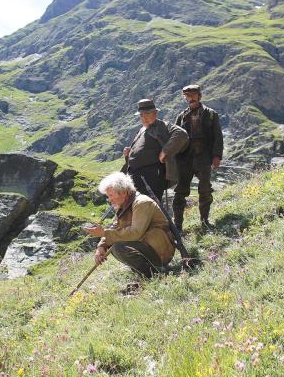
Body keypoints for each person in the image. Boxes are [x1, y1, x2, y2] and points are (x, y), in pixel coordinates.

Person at [83, 172, 176, 279]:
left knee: (119, 247)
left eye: (111, 195)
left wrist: (104, 233)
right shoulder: (122, 206)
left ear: (123, 192)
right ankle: (147, 273)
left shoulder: (142, 203)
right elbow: (115, 227)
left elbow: (136, 233)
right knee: (115, 246)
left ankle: (154, 274)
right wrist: (101, 246)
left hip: (160, 248)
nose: (110, 200)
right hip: (146, 245)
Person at [173, 84, 223, 231]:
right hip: (185, 160)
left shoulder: (211, 114)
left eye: (193, 95)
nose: (190, 98)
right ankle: (177, 226)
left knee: (205, 189)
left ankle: (204, 221)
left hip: (204, 158)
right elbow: (175, 138)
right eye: (187, 96)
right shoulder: (181, 117)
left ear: (199, 96)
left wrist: (217, 156)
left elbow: (218, 137)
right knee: (180, 192)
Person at [123, 99, 188, 201]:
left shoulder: (162, 125)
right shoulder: (142, 129)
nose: (144, 117)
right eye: (141, 115)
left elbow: (181, 134)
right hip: (135, 175)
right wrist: (130, 152)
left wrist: (165, 151)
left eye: (147, 113)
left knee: (148, 206)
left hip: (151, 176)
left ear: (155, 113)